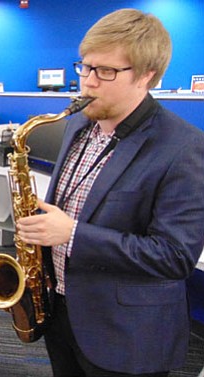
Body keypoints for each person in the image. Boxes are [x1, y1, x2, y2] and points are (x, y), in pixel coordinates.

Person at [15, 8, 204, 377]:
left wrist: (71, 234)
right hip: (61, 314)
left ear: (147, 76)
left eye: (106, 71)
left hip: (125, 336)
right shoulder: (77, 126)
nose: (87, 83)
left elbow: (174, 256)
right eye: (84, 67)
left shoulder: (183, 146)